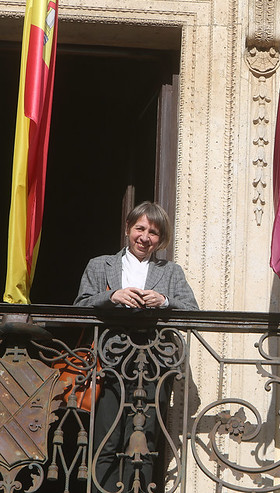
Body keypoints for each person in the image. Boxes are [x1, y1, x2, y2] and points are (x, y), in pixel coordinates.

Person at [74, 201, 199, 493]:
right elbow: (80, 305)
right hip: (110, 363)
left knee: (145, 441)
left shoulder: (171, 271)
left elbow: (191, 310)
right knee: (106, 437)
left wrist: (164, 301)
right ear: (128, 229)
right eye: (140, 228)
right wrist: (113, 296)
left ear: (161, 239)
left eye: (153, 232)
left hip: (155, 364)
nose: (145, 237)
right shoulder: (100, 264)